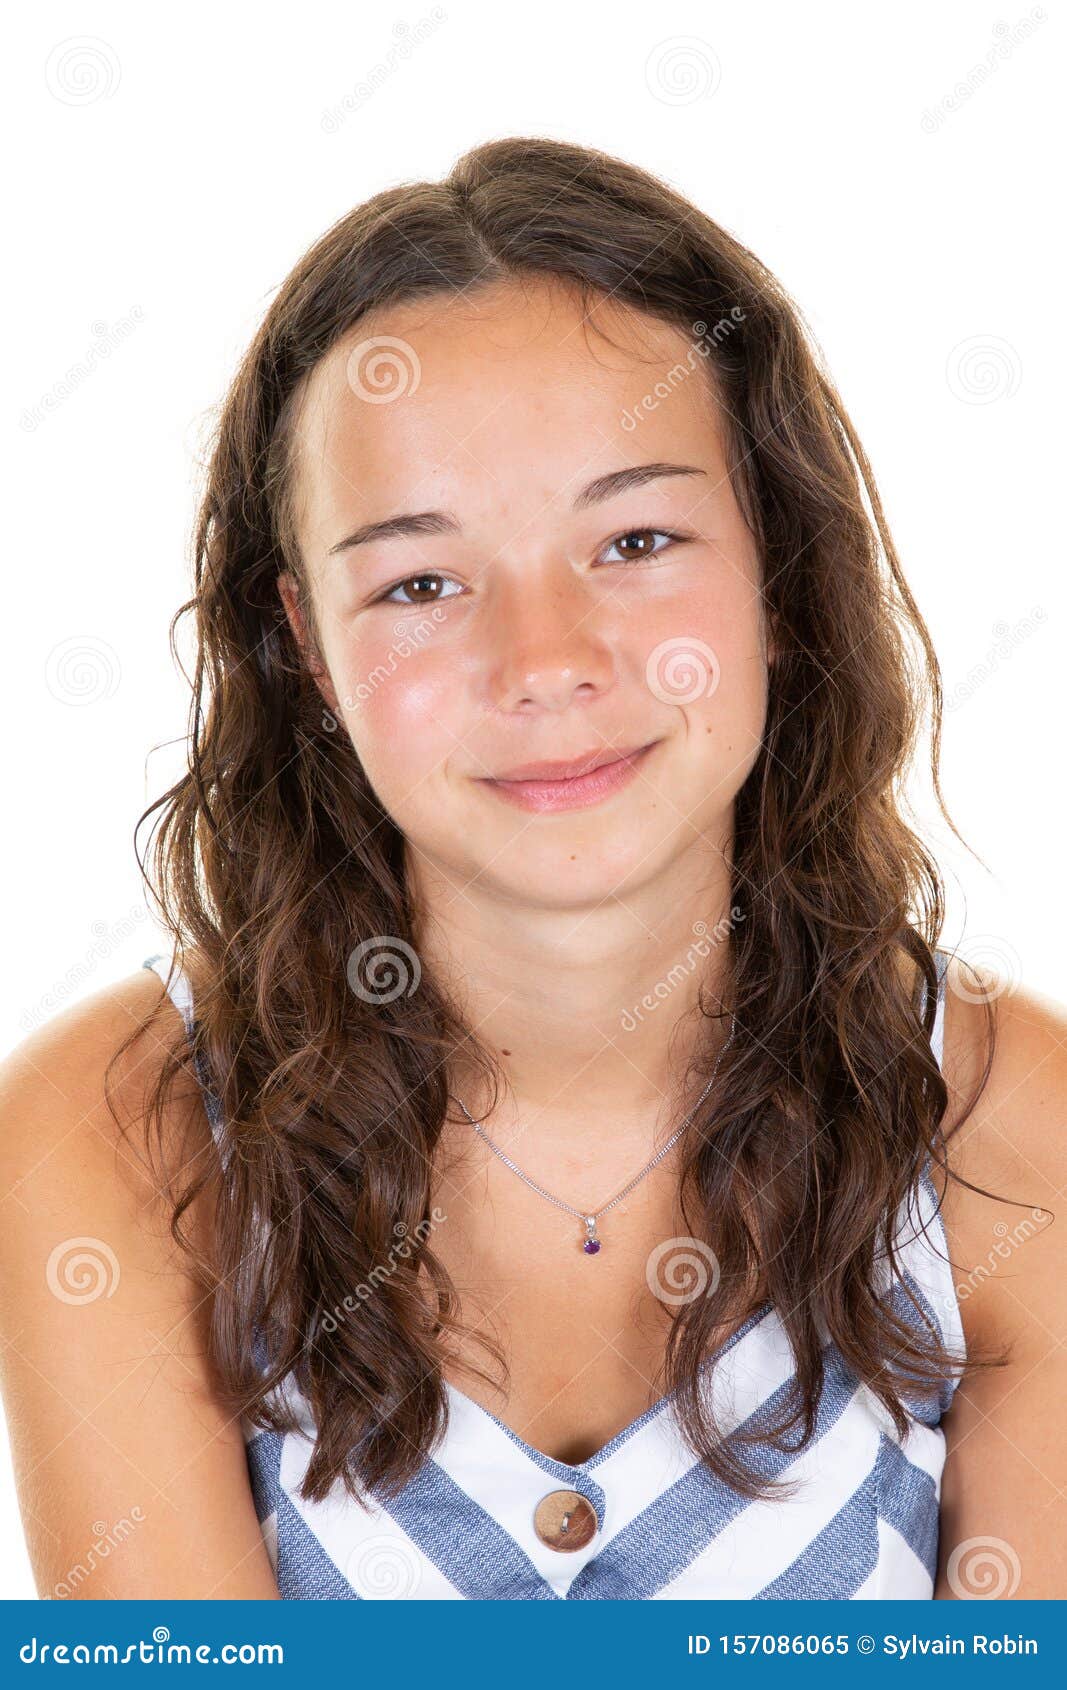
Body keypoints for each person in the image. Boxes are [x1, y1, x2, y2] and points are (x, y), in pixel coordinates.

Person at [1, 136, 1063, 1602]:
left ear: (778, 571)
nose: (545, 661)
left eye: (633, 538)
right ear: (306, 643)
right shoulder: (114, 1126)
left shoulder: (1019, 1128)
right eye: (421, 582)